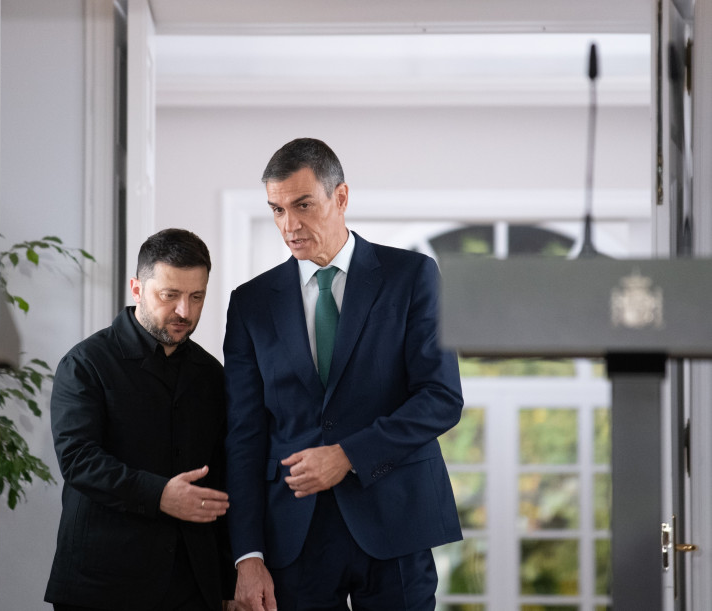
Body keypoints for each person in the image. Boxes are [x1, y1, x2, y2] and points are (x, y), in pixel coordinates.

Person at [223, 138, 464, 610]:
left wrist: (348, 455)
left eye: (303, 205)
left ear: (341, 197)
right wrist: (247, 555)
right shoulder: (250, 303)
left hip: (396, 517)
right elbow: (244, 434)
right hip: (293, 533)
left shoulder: (412, 276)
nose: (289, 226)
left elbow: (440, 397)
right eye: (276, 210)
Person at [45, 228, 235, 611]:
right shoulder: (85, 363)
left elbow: (222, 479)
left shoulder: (212, 375)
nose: (185, 311)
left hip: (192, 586)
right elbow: (78, 459)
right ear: (136, 288)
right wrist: (161, 494)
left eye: (196, 297)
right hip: (101, 584)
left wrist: (228, 584)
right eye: (170, 295)